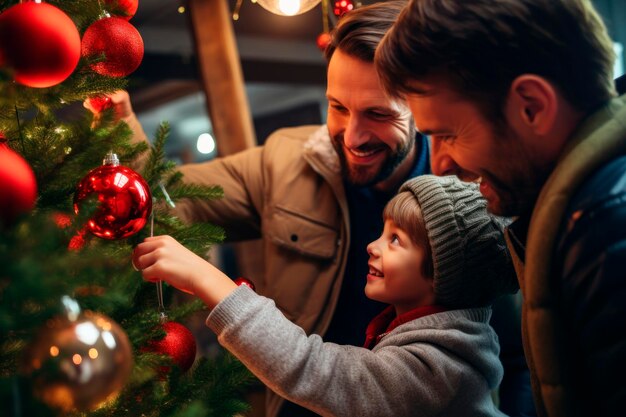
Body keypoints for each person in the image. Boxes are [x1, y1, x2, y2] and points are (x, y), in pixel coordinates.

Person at [90, 2, 532, 415]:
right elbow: (169, 193)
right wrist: (121, 126)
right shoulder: (282, 159)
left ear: (420, 106)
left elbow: (516, 354)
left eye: (379, 114)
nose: (353, 137)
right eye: (338, 107)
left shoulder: (473, 197)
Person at [375, 1, 626, 416]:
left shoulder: (606, 230)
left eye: (449, 134)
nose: (439, 164)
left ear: (532, 106)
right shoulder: (579, 216)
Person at [132, 175, 518, 417]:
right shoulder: (428, 341)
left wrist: (208, 281)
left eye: (396, 240)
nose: (373, 246)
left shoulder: (439, 371)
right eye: (382, 233)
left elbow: (315, 369)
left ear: (445, 271)